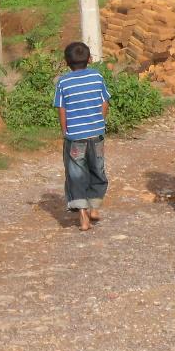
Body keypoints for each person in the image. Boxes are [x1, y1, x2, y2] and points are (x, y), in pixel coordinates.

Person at [54, 41, 111, 231]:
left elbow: (62, 109)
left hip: (75, 137)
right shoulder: (97, 77)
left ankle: (83, 217)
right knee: (97, 169)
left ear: (66, 62)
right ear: (89, 59)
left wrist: (65, 131)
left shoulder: (63, 82)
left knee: (76, 175)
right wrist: (98, 122)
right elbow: (104, 104)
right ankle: (94, 208)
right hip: (96, 134)